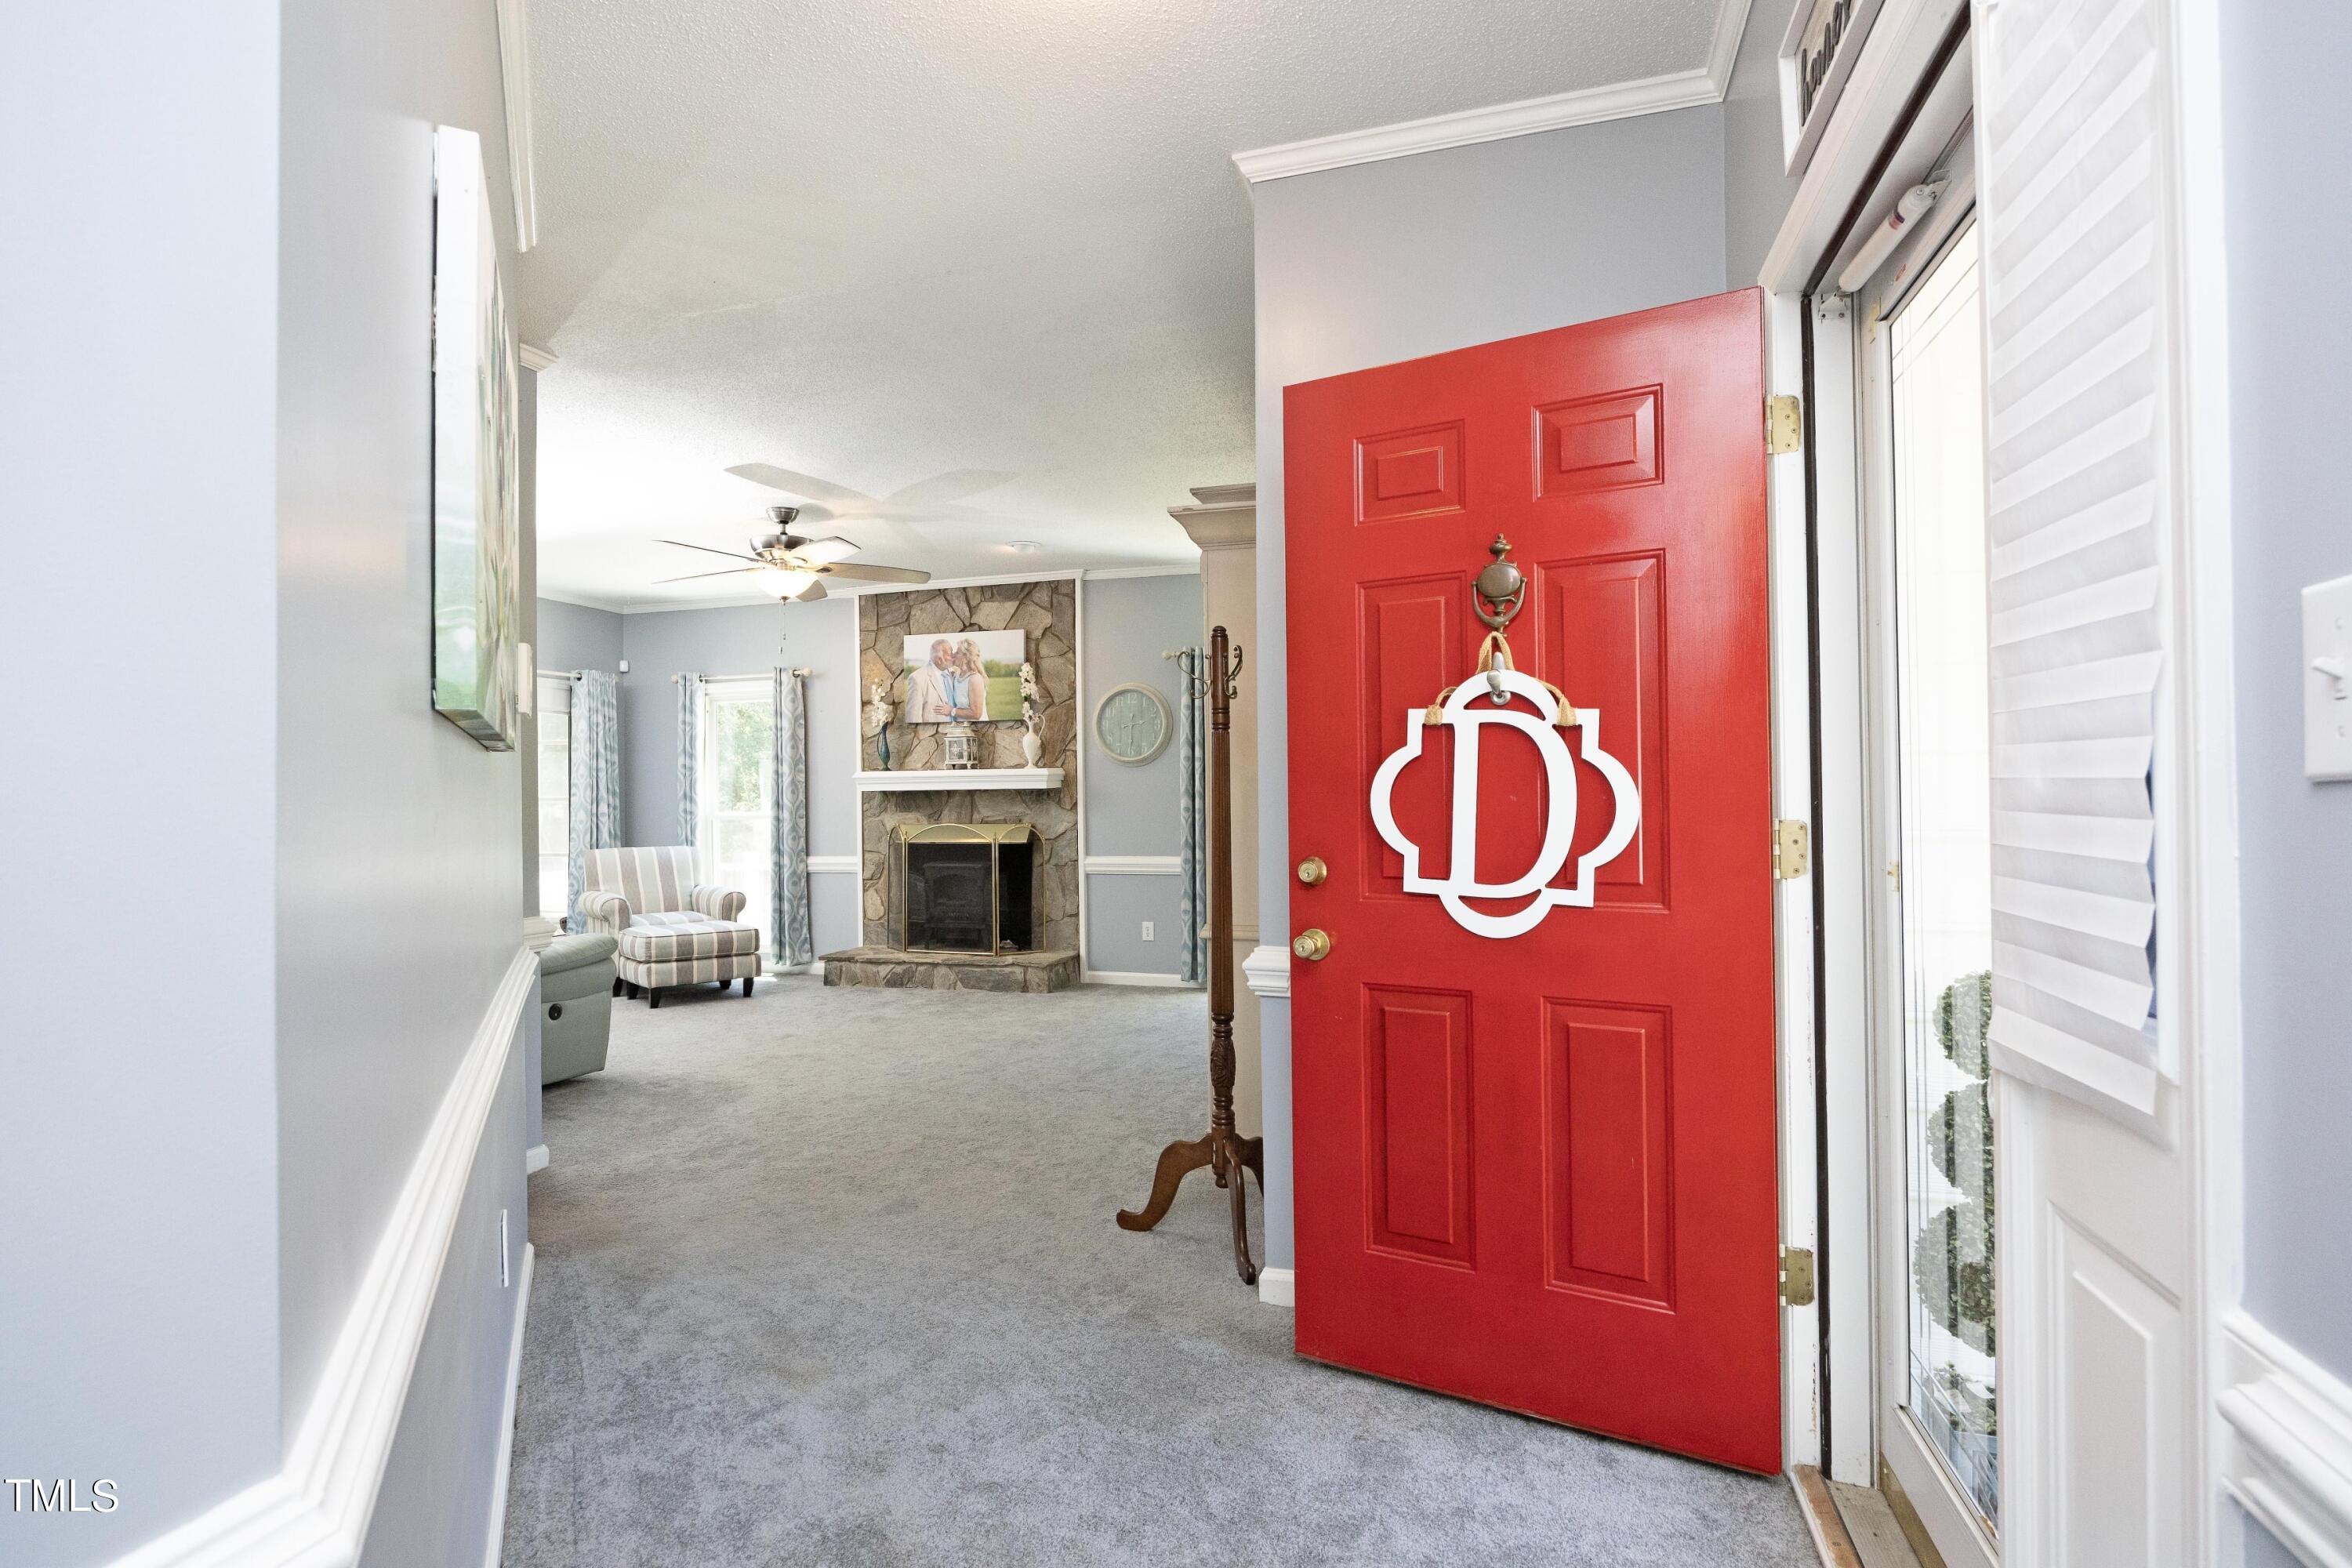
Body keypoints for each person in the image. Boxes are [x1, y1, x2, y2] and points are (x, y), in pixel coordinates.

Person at [904, 639, 957, 724]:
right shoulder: (917, 678)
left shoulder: (955, 673)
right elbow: (913, 718)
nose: (953, 656)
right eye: (950, 654)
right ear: (939, 660)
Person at [952, 638, 990, 721]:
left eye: (957, 653)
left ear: (966, 658)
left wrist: (951, 711)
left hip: (977, 729)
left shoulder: (975, 679)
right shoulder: (957, 675)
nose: (953, 654)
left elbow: (976, 714)